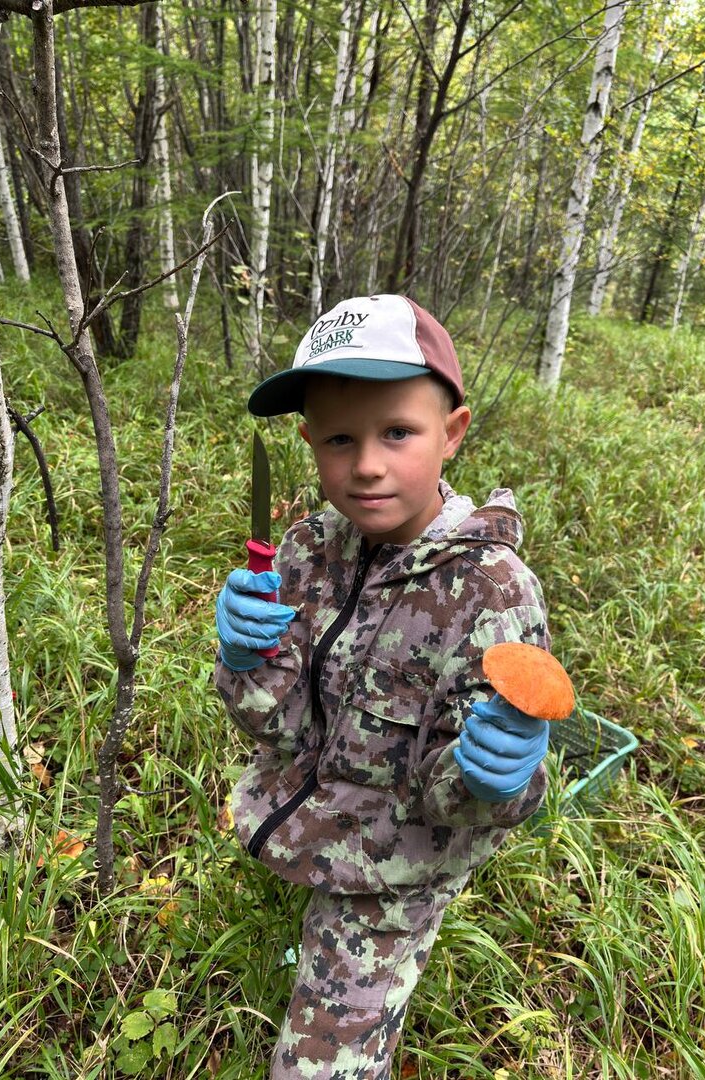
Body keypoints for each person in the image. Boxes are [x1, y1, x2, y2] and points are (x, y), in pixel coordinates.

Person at [214, 294, 552, 1079]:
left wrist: (494, 776)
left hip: (402, 863)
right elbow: (281, 727)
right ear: (309, 442)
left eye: (397, 432)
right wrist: (245, 661)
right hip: (316, 816)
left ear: (452, 433)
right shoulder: (304, 550)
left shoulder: (491, 595)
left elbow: (458, 801)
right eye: (340, 438)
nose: (366, 464)